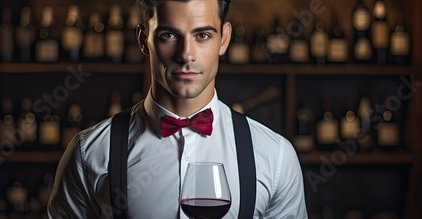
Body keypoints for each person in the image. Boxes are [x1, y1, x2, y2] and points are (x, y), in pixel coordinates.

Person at [48, 0, 308, 218]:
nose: (186, 55)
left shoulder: (275, 157)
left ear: (224, 39)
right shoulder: (89, 153)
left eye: (203, 35)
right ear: (143, 39)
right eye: (169, 35)